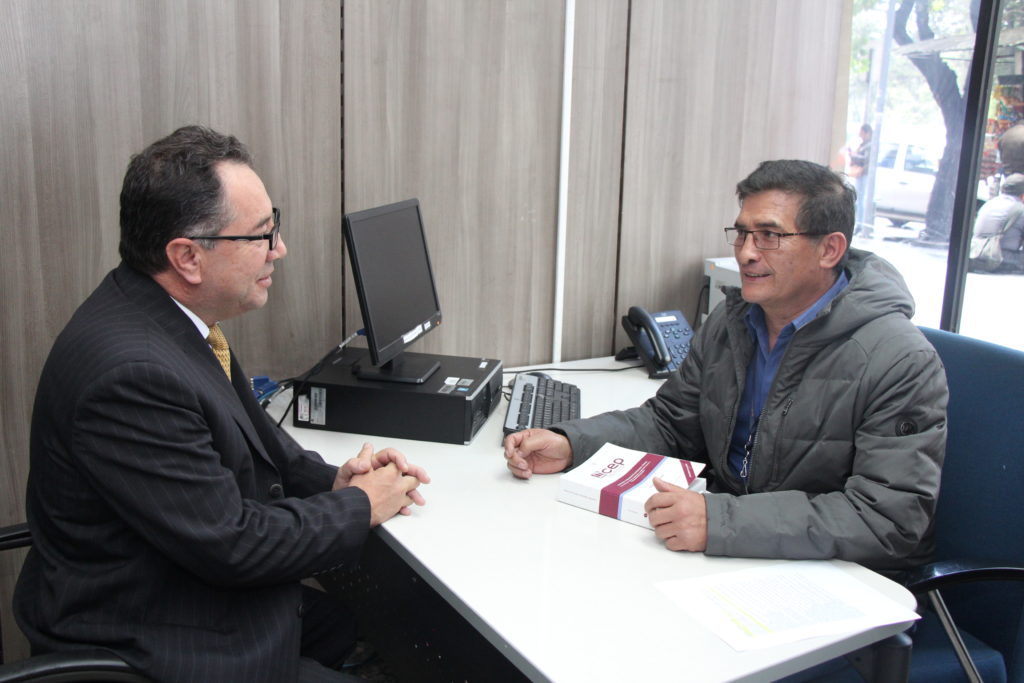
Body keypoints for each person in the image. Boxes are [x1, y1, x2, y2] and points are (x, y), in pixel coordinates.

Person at [15, 126, 430, 682]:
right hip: (163, 637)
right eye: (260, 235)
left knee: (386, 628)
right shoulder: (132, 375)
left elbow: (264, 449)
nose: (279, 249)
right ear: (187, 256)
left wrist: (335, 481)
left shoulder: (169, 317)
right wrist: (360, 506)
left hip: (192, 587)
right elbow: (234, 546)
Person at [504, 159, 947, 574]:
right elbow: (673, 423)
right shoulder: (733, 322)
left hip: (840, 576)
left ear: (829, 249)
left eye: (769, 236)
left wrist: (721, 521)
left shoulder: (900, 360)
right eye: (741, 233)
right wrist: (573, 443)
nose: (746, 253)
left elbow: (887, 519)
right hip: (740, 552)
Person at [969, 172, 1024, 273]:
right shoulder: (1020, 210)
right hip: (1000, 258)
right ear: (1022, 195)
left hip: (975, 252)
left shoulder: (989, 203)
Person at [847, 123, 872, 235]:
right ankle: (859, 224)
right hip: (860, 175)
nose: (859, 134)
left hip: (863, 174)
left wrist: (853, 155)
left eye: (861, 132)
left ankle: (861, 225)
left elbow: (865, 160)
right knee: (859, 199)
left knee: (861, 199)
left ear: (867, 133)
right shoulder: (863, 144)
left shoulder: (869, 146)